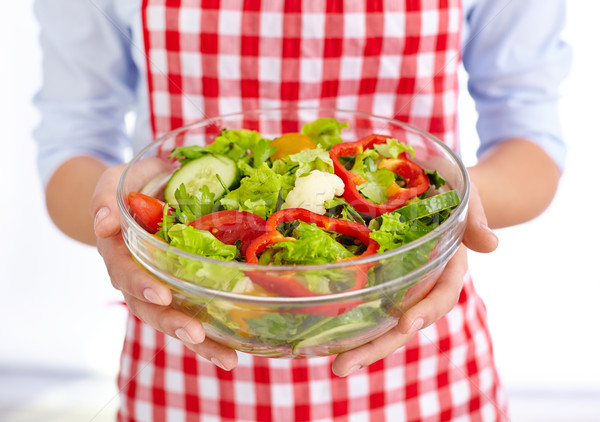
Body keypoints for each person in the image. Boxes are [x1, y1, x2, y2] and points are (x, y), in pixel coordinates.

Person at [34, 0, 570, 420]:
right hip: (188, 340)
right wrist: (119, 216)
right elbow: (73, 141)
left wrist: (450, 207)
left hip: (416, 339)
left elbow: (532, 144)